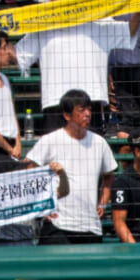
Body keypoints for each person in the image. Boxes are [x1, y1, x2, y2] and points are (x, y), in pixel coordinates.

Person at [26, 87, 116, 243]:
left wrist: (102, 202)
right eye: (81, 110)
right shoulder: (50, 140)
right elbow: (28, 171)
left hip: (90, 227)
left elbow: (109, 176)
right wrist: (41, 207)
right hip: (57, 225)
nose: (87, 113)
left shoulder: (99, 143)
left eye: (89, 109)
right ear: (67, 115)